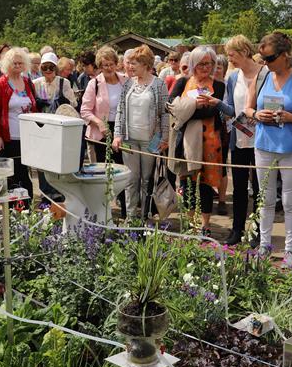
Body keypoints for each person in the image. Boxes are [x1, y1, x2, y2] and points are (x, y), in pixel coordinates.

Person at [245, 33, 292, 267]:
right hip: (263, 146)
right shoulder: (262, 76)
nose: (265, 62)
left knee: (289, 201)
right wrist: (257, 114)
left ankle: (290, 249)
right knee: (265, 199)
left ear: (285, 55)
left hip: (291, 148)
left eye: (270, 58)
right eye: (263, 58)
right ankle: (264, 246)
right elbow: (247, 108)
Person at [169, 46, 226, 237]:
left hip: (211, 142)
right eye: (201, 64)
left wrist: (189, 108)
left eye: (209, 64)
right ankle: (190, 223)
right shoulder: (183, 82)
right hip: (187, 142)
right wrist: (196, 104)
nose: (205, 68)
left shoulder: (219, 85)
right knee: (187, 183)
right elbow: (171, 106)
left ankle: (206, 225)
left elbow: (212, 111)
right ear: (193, 64)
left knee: (207, 185)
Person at [112, 45, 169, 218]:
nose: (129, 66)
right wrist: (117, 135)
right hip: (129, 139)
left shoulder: (159, 84)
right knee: (131, 180)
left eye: (134, 63)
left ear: (145, 64)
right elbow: (120, 110)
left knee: (146, 180)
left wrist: (165, 138)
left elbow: (165, 113)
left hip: (151, 140)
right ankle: (130, 218)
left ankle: (144, 217)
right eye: (129, 63)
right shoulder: (128, 83)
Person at [218, 35, 261, 245]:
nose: (230, 59)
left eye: (232, 55)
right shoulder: (233, 77)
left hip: (261, 140)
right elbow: (231, 109)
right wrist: (216, 103)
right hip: (240, 138)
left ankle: (258, 231)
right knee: (239, 187)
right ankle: (237, 229)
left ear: (244, 52)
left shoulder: (265, 74)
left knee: (261, 188)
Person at [80, 46, 128, 216]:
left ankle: (125, 211)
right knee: (104, 172)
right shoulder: (94, 84)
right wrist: (99, 123)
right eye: (104, 65)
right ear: (99, 66)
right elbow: (85, 111)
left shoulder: (125, 80)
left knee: (123, 171)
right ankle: (102, 211)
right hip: (101, 133)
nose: (108, 68)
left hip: (122, 131)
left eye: (111, 64)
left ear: (116, 63)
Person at [0, 47, 37, 203]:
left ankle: (26, 205)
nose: (17, 65)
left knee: (24, 172)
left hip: (26, 136)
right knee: (13, 174)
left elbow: (34, 107)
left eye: (20, 63)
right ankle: (14, 206)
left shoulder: (28, 82)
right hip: (9, 137)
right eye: (14, 63)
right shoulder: (1, 84)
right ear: (7, 64)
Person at [33, 52, 77, 203]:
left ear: (56, 68)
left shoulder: (63, 82)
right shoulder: (35, 83)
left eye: (51, 67)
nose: (48, 71)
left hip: (58, 126)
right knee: (41, 159)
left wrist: (64, 101)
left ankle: (58, 190)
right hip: (41, 126)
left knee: (57, 158)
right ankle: (45, 192)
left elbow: (73, 104)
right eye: (44, 67)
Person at [214, 54, 231, 216]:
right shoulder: (205, 84)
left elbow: (229, 110)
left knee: (222, 166)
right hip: (206, 130)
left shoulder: (227, 86)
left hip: (224, 131)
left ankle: (222, 200)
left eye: (218, 67)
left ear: (224, 69)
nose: (215, 70)